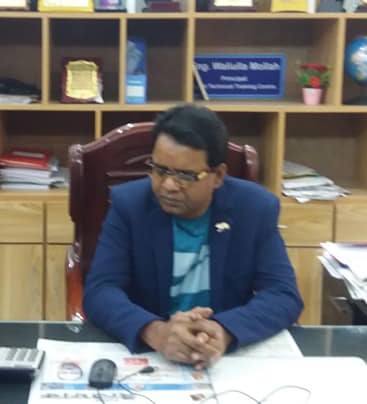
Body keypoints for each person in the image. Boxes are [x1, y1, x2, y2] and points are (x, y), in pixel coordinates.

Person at [83, 104, 302, 368]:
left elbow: (282, 295)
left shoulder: (254, 208)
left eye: (185, 175)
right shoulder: (129, 205)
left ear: (218, 176)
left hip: (223, 360)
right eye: (160, 170)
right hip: (152, 356)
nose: (168, 185)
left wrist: (223, 330)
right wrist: (156, 332)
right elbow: (100, 290)